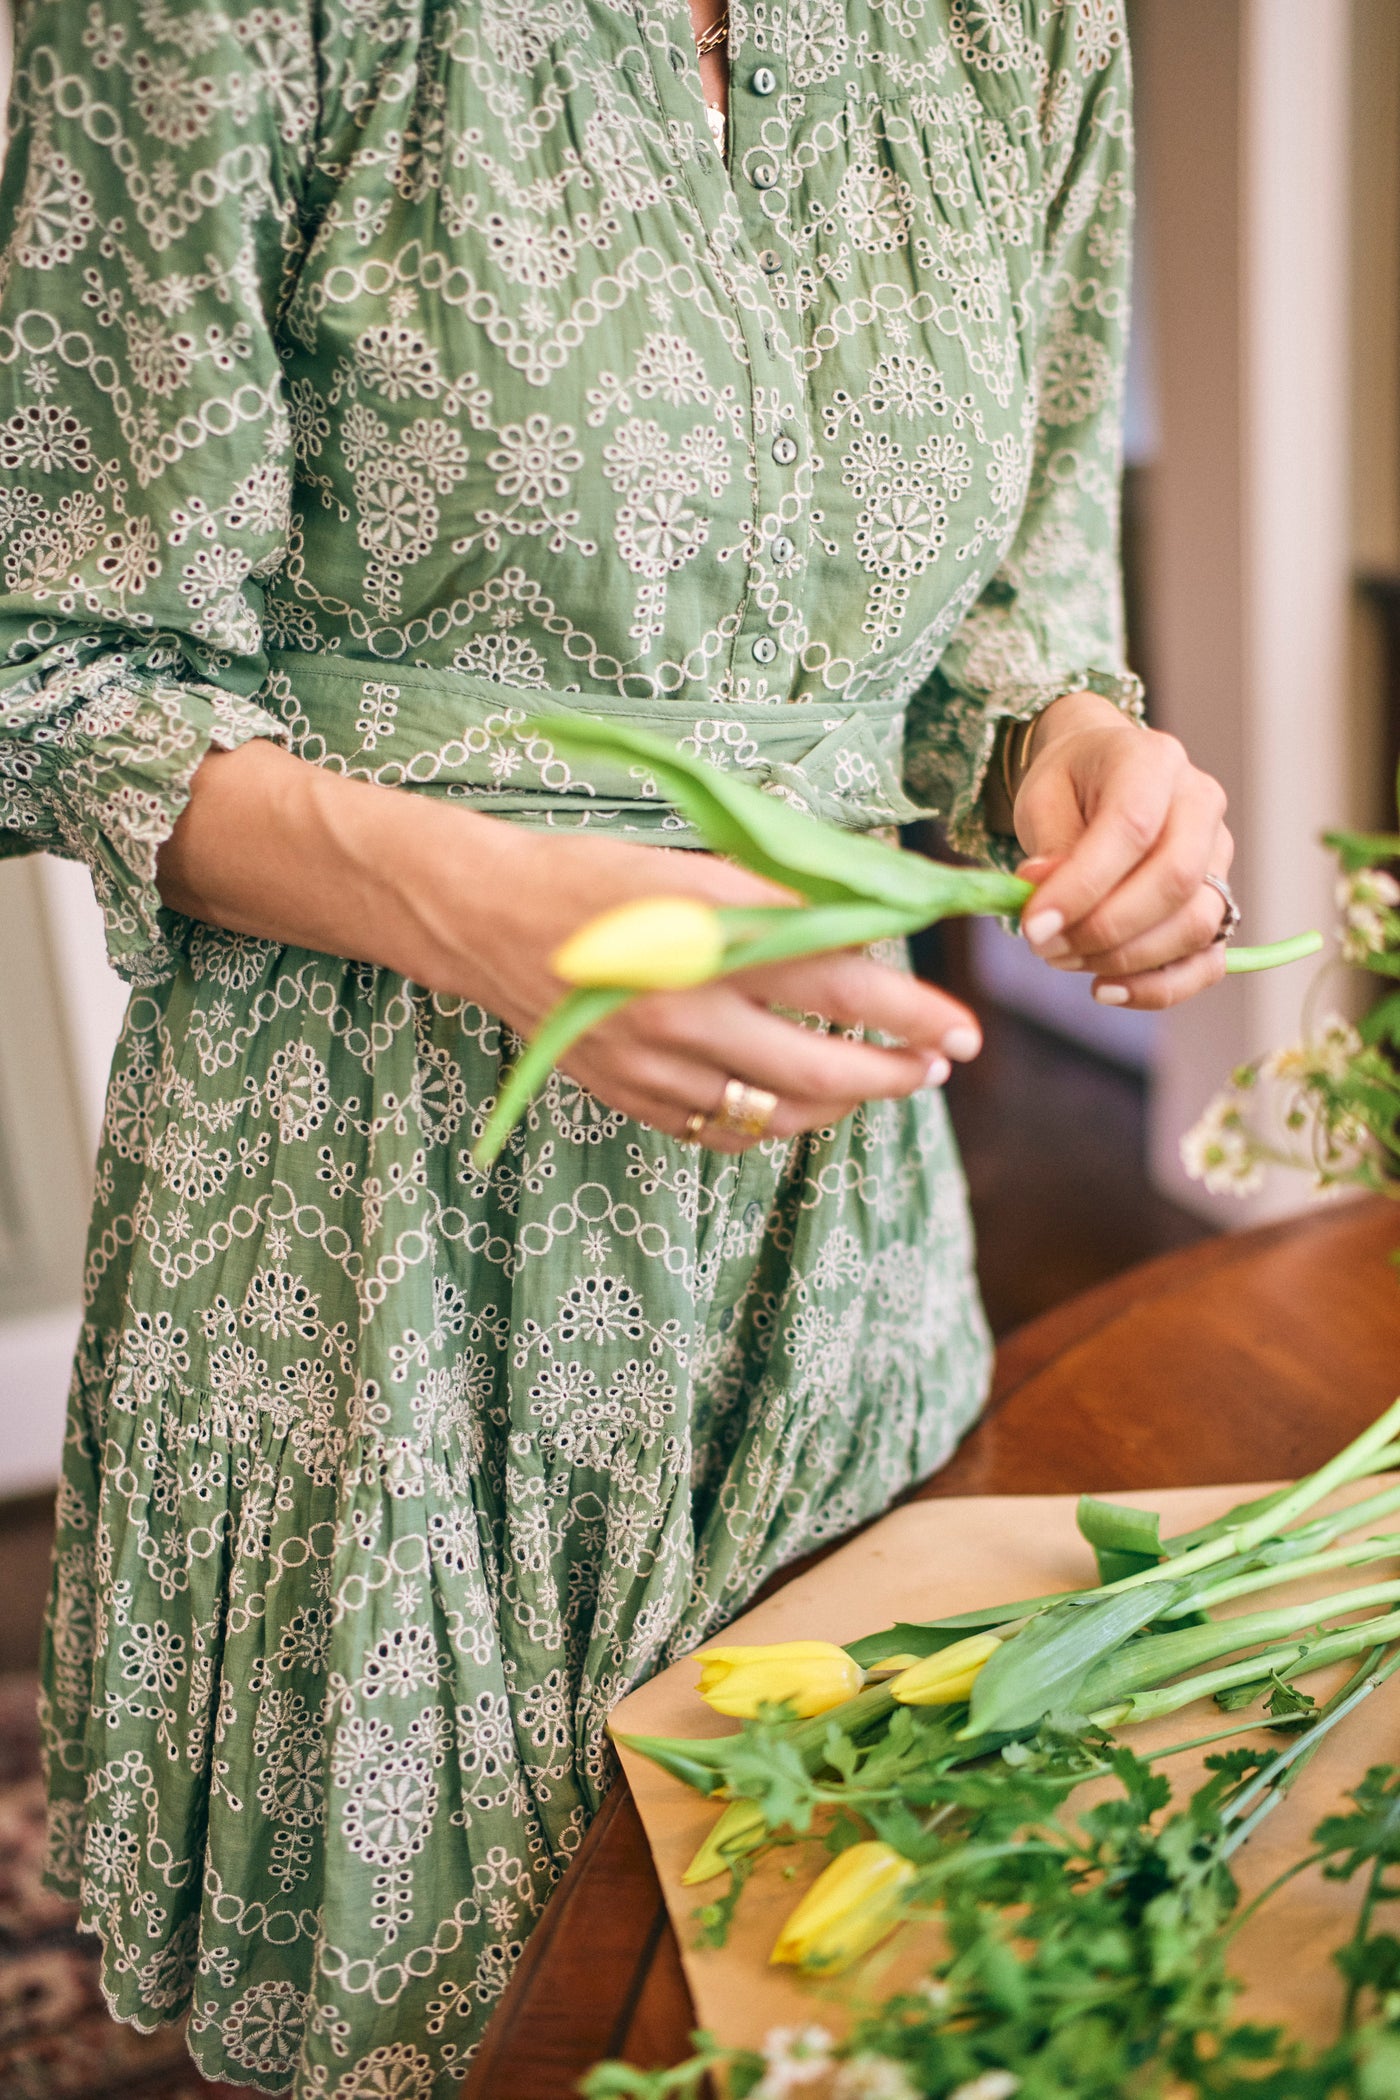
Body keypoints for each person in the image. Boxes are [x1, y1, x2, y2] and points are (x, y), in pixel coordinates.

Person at [0, 1, 1232, 2092]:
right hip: (378, 1245)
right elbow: (52, 667)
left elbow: (1000, 632)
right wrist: (500, 916)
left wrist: (1081, 757)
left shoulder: (1017, 26)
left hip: (823, 1254)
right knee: (473, 2031)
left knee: (825, 1984)